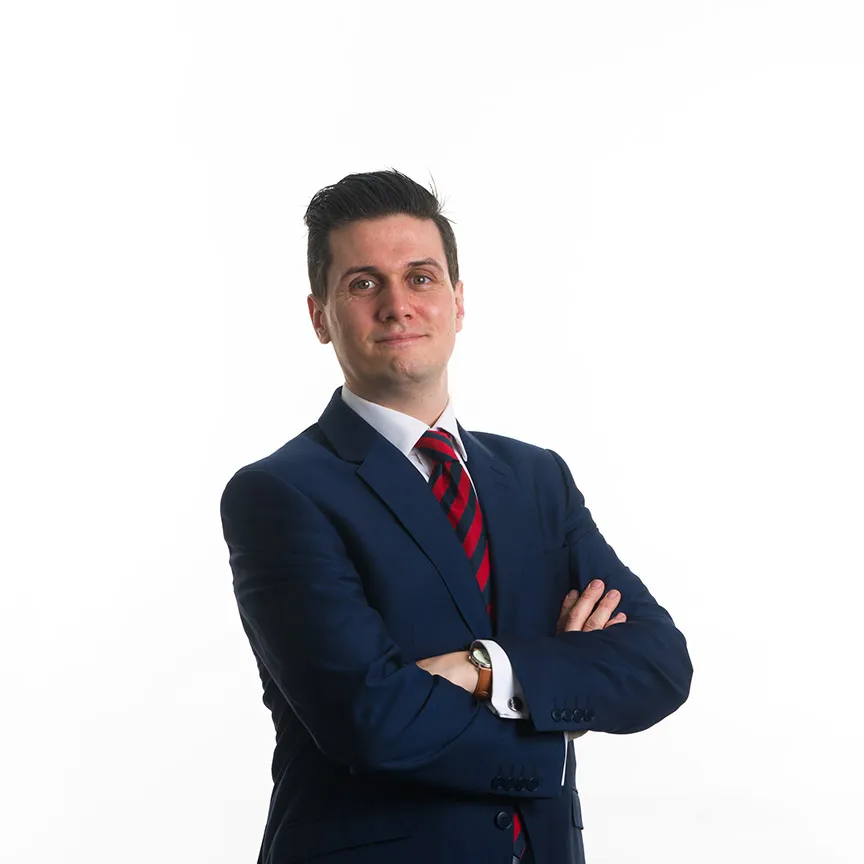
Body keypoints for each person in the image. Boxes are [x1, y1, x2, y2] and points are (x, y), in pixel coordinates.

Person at [219, 170, 692, 864]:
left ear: (458, 302)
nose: (397, 306)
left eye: (420, 278)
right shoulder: (281, 494)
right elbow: (371, 720)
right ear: (320, 316)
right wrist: (555, 713)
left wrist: (484, 669)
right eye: (362, 283)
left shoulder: (537, 479)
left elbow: (658, 665)